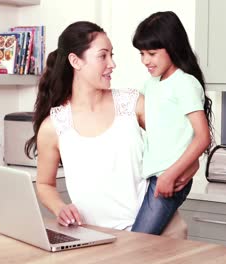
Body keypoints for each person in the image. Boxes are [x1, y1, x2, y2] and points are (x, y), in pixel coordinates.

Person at [24, 21, 197, 232]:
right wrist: (60, 208)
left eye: (111, 55)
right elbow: (45, 184)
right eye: (103, 56)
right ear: (75, 61)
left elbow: (178, 141)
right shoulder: (54, 126)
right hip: (96, 237)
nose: (112, 64)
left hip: (158, 233)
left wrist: (191, 166)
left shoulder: (133, 103)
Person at [130, 11, 214, 235]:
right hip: (154, 175)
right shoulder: (151, 84)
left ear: (172, 47)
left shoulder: (184, 83)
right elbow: (157, 127)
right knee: (149, 244)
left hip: (170, 177)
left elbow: (203, 137)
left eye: (152, 53)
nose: (145, 60)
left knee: (137, 243)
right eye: (142, 54)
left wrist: (171, 174)